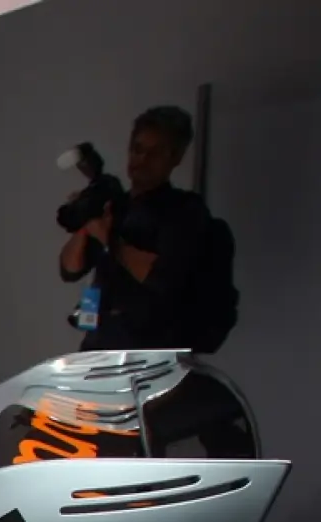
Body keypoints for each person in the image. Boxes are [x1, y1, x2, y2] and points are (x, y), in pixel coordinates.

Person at [58, 106, 214, 351]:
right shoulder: (117, 206)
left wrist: (111, 240)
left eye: (155, 153)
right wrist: (87, 221)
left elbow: (163, 277)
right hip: (98, 349)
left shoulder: (185, 211)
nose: (142, 160)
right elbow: (69, 269)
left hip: (149, 355)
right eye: (137, 150)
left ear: (176, 157)